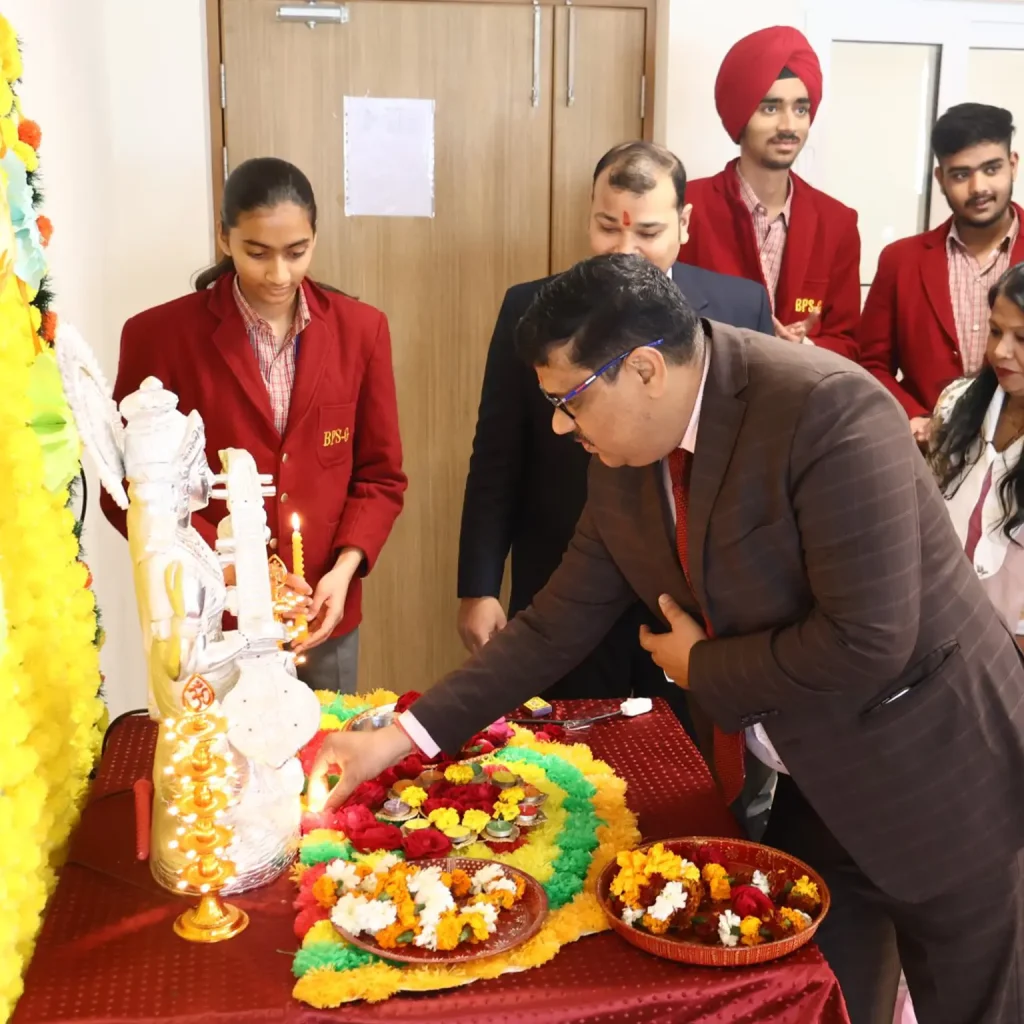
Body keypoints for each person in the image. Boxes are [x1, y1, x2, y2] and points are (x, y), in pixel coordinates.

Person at [311, 254, 1024, 1024]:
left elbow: (868, 638)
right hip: (821, 784)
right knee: (827, 1003)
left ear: (645, 369)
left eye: (569, 400)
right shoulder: (625, 454)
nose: (558, 425)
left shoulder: (827, 410)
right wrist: (398, 739)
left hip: (940, 776)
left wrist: (701, 666)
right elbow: (554, 622)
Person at [458, 141, 772, 728]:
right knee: (561, 758)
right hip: (563, 582)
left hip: (693, 601)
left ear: (684, 224)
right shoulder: (531, 310)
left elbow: (755, 466)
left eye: (647, 232)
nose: (625, 250)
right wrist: (478, 587)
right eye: (608, 227)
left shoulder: (738, 307)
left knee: (687, 757)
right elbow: (497, 456)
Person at [101, 157, 407, 693]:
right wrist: (223, 571)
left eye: (297, 252)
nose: (280, 275)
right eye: (257, 253)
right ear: (224, 237)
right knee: (212, 748)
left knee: (326, 744)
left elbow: (379, 477)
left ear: (315, 238)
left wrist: (344, 570)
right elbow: (125, 489)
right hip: (209, 624)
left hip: (320, 613)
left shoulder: (361, 331)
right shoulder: (160, 336)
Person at [679, 26, 861, 358]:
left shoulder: (837, 223)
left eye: (801, 109)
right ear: (740, 115)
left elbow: (848, 342)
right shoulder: (687, 208)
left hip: (803, 388)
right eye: (770, 108)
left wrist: (804, 347)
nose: (789, 126)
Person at [860, 103, 1022, 446]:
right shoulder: (901, 261)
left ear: (1013, 164)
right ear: (941, 179)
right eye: (961, 174)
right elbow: (871, 364)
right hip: (922, 452)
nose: (978, 187)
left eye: (991, 169)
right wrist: (914, 418)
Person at [929, 262, 1024, 639]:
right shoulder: (956, 405)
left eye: (1022, 338)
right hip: (936, 625)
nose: (1000, 351)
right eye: (995, 331)